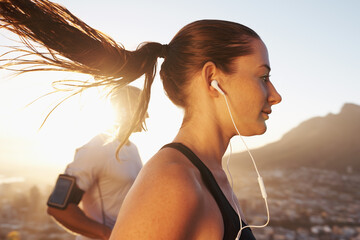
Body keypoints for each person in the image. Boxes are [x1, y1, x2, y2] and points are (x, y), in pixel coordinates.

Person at [0, 0, 282, 239]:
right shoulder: (172, 179)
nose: (275, 95)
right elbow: (59, 206)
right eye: (263, 77)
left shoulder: (185, 169)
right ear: (212, 79)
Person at [46, 86, 144, 240]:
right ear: (126, 110)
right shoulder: (98, 147)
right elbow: (58, 208)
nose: (148, 115)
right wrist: (108, 235)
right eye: (143, 107)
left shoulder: (133, 149)